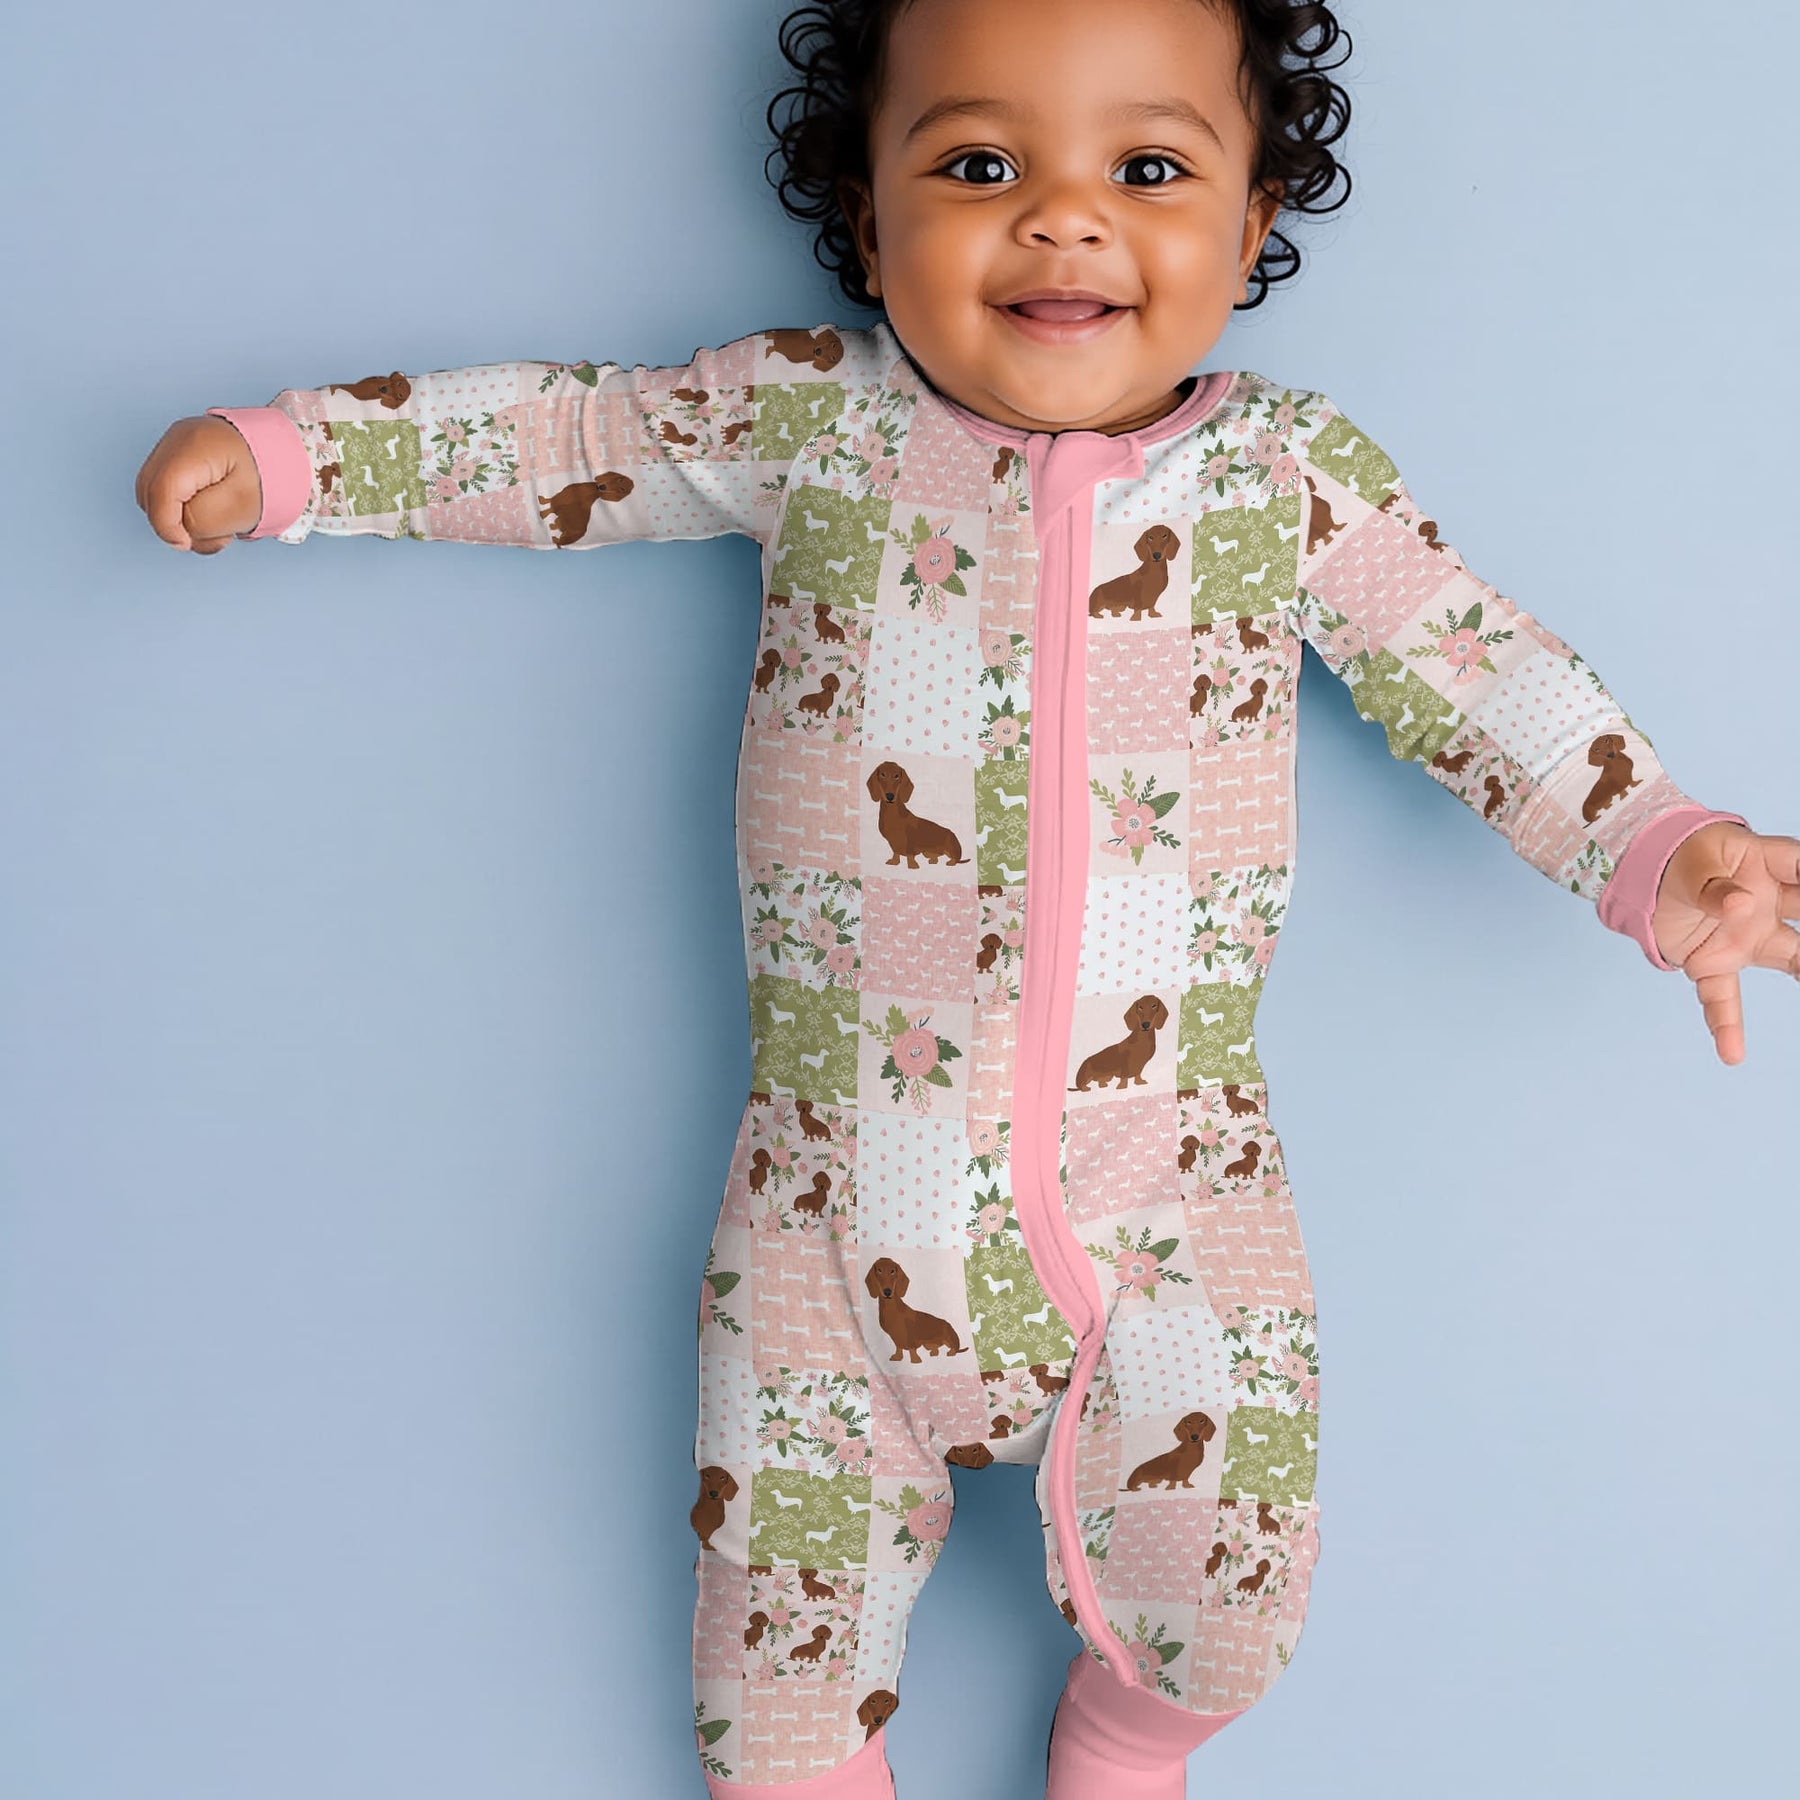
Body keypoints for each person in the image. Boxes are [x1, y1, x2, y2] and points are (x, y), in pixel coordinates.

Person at [132, 2, 1798, 1794]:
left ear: (1250, 223)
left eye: (1146, 168)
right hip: (828, 1211)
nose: (1064, 216)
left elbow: (1474, 668)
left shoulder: (1287, 479)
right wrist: (297, 457)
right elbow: (574, 435)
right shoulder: (810, 421)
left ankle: (1131, 1736)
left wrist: (1660, 845)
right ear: (868, 218)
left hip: (1174, 1197)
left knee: (1235, 1615)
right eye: (983, 163)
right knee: (768, 1708)